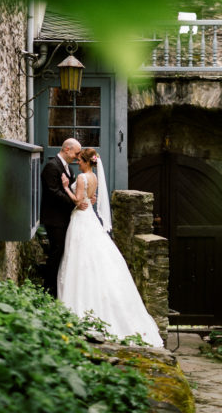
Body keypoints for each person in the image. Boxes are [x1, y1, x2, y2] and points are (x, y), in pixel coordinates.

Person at [58, 148, 164, 348]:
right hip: (90, 218)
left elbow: (78, 201)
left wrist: (65, 187)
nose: (77, 163)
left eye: (79, 160)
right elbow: (90, 199)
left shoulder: (81, 177)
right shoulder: (94, 177)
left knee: (79, 258)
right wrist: (87, 199)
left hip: (81, 219)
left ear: (87, 161)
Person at [39, 138, 89, 298]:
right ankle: (48, 290)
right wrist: (75, 203)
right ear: (67, 149)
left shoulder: (69, 169)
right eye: (76, 153)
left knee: (62, 252)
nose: (77, 156)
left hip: (65, 218)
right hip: (54, 219)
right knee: (56, 252)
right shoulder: (51, 166)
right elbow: (54, 192)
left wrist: (83, 198)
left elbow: (74, 191)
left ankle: (57, 289)